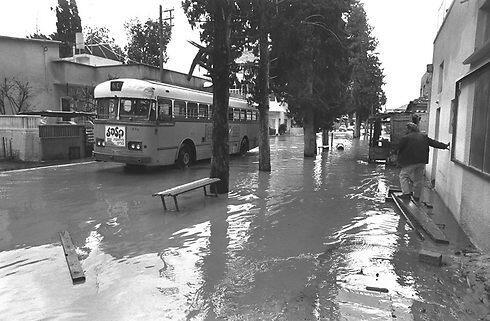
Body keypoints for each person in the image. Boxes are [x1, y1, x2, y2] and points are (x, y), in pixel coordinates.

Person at [397, 122, 449, 201]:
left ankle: (406, 193)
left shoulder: (406, 138)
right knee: (418, 179)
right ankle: (416, 196)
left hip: (410, 161)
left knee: (403, 176)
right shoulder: (424, 136)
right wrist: (444, 146)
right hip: (422, 161)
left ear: (410, 129)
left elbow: (399, 148)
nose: (406, 130)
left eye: (407, 128)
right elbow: (434, 143)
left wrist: (395, 156)